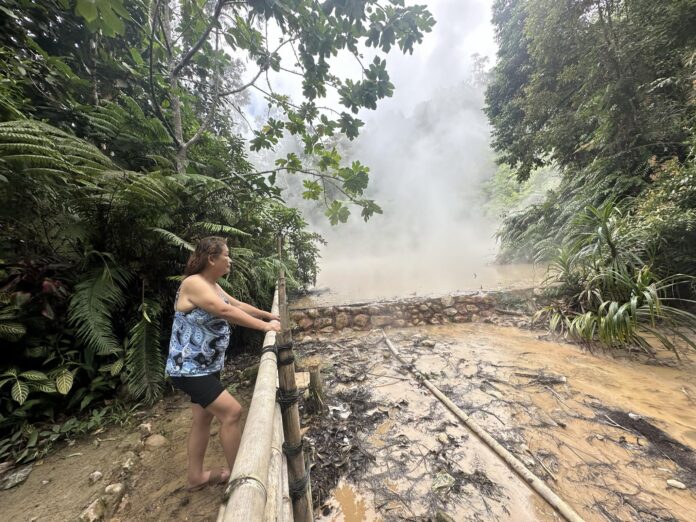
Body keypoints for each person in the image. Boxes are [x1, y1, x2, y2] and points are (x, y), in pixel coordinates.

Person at [165, 236, 281, 491]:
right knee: (232, 412)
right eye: (226, 255)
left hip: (205, 367)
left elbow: (236, 305)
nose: (230, 260)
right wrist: (265, 327)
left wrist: (268, 315)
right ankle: (242, 481)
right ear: (211, 258)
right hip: (188, 368)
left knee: (203, 418)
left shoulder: (212, 285)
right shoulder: (194, 283)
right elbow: (225, 311)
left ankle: (196, 477)